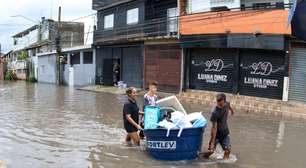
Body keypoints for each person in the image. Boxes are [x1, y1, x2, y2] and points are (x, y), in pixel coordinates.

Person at [206, 93, 234, 160]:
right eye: (217, 101)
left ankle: (223, 164)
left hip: (225, 133)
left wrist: (232, 111)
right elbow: (214, 127)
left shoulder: (227, 104)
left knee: (228, 151)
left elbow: (229, 105)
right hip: (217, 134)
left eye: (219, 101)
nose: (217, 102)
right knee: (212, 152)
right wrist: (212, 141)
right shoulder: (215, 112)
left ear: (224, 100)